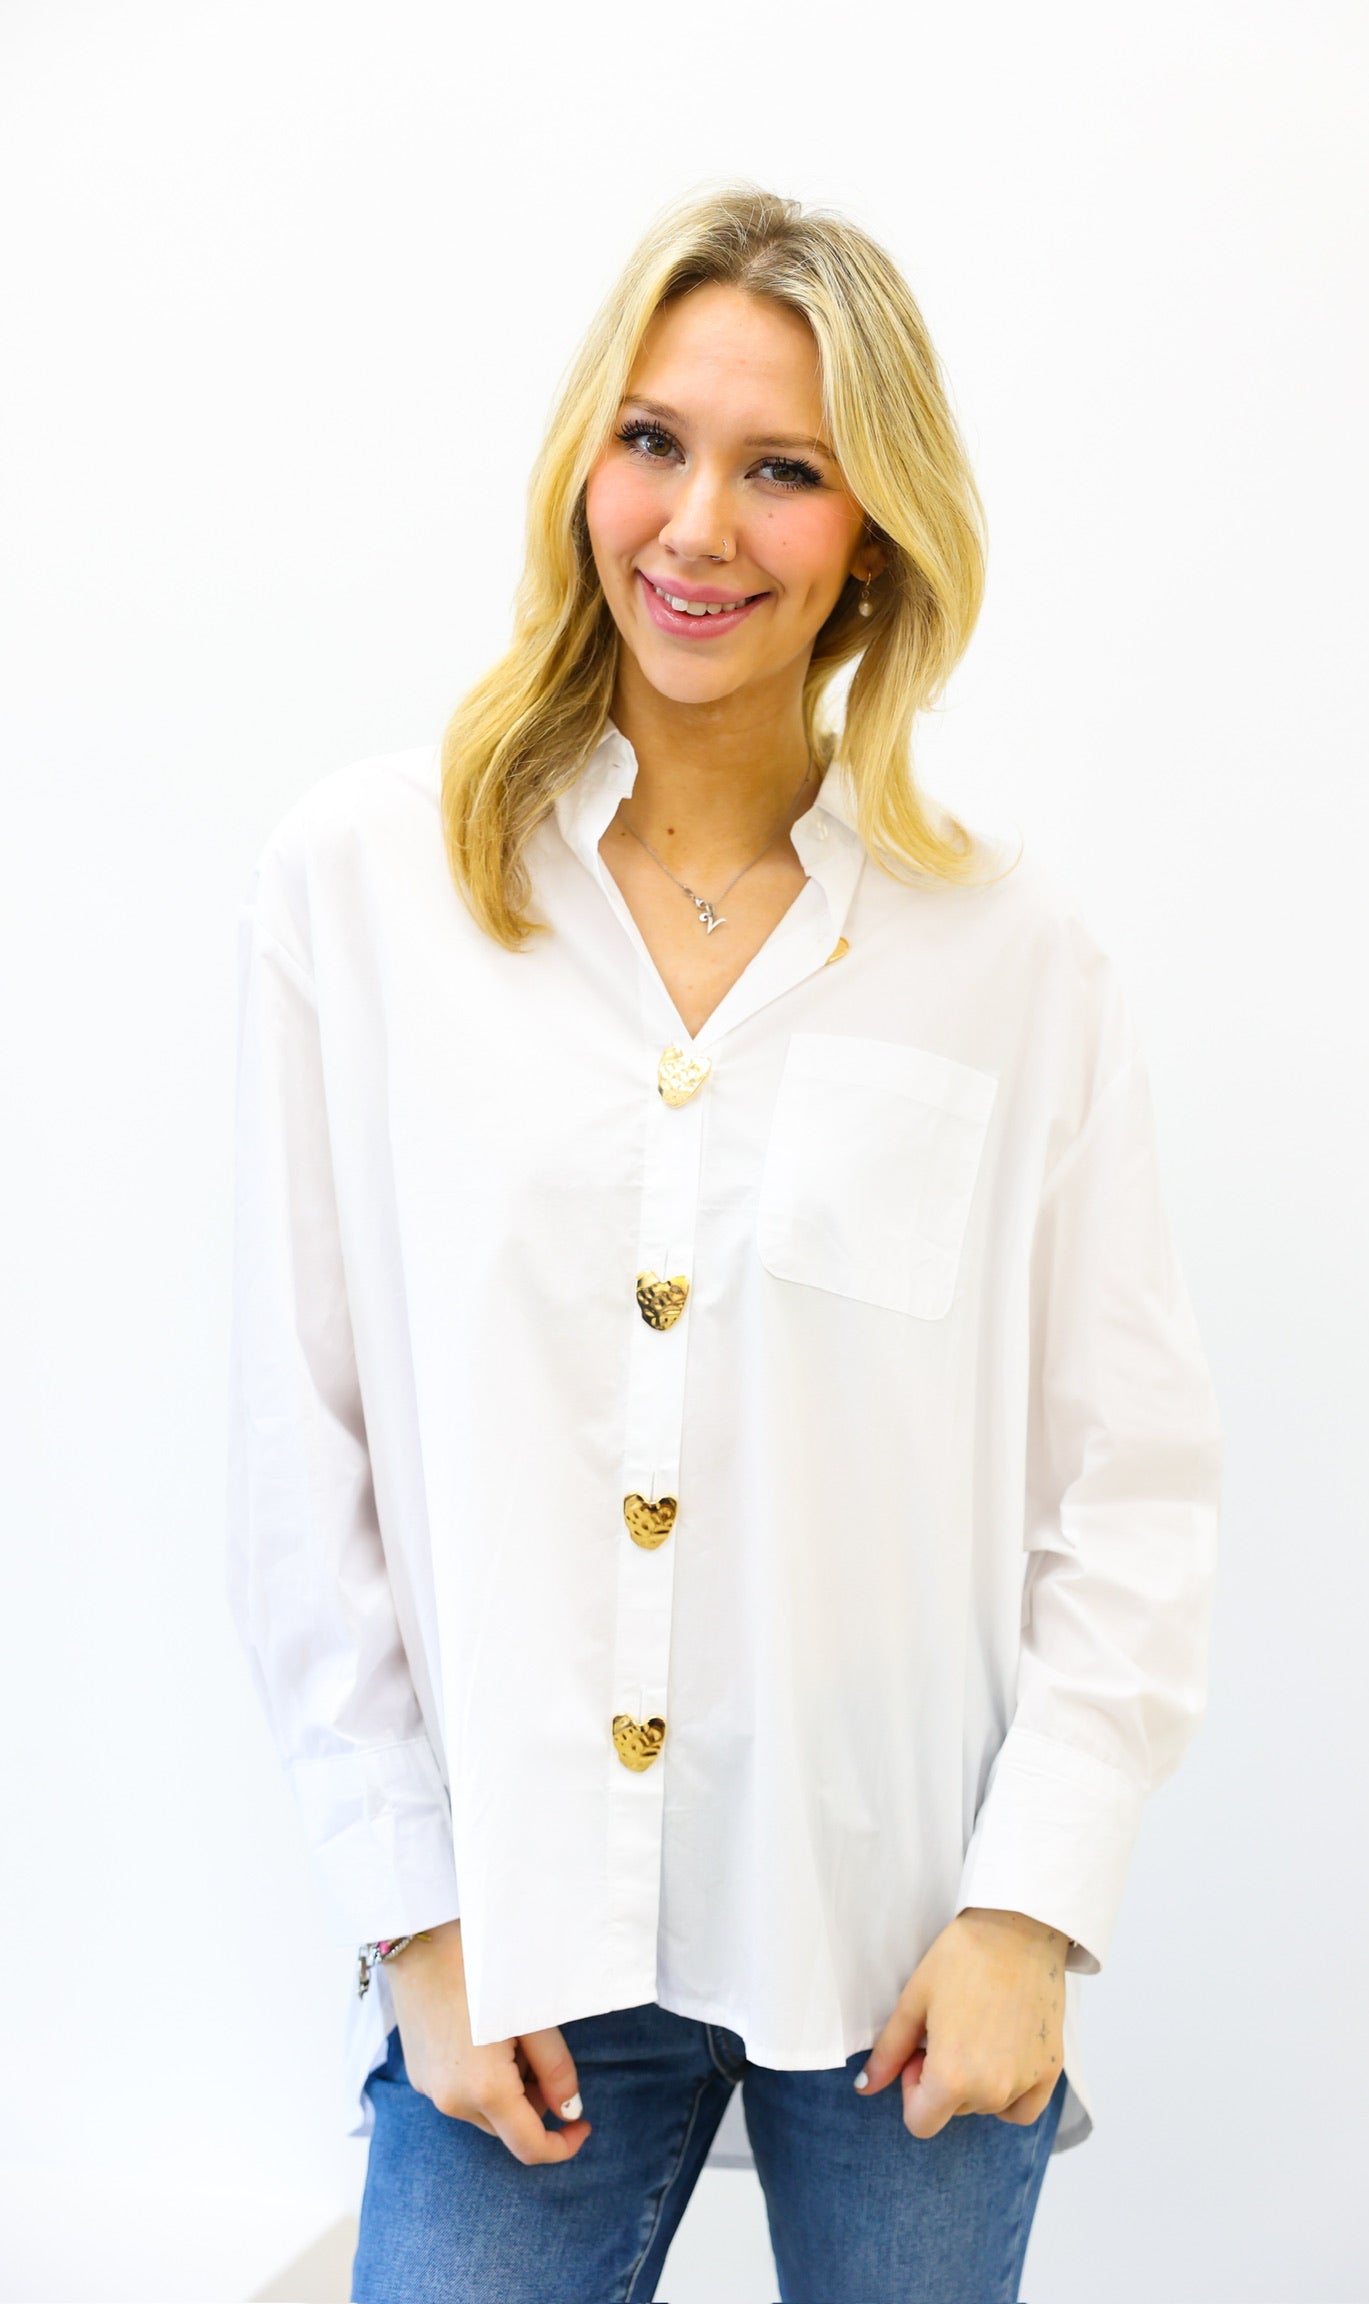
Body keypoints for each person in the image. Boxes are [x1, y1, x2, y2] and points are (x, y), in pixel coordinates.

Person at [227, 181, 1223, 2304]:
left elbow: (1130, 1484)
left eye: (784, 472)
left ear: (873, 536)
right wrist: (414, 1914)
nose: (699, 527)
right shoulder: (370, 886)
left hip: (906, 1954)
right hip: (516, 1948)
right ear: (585, 459)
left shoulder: (1010, 958)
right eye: (657, 442)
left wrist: (1032, 1909)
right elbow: (300, 1452)